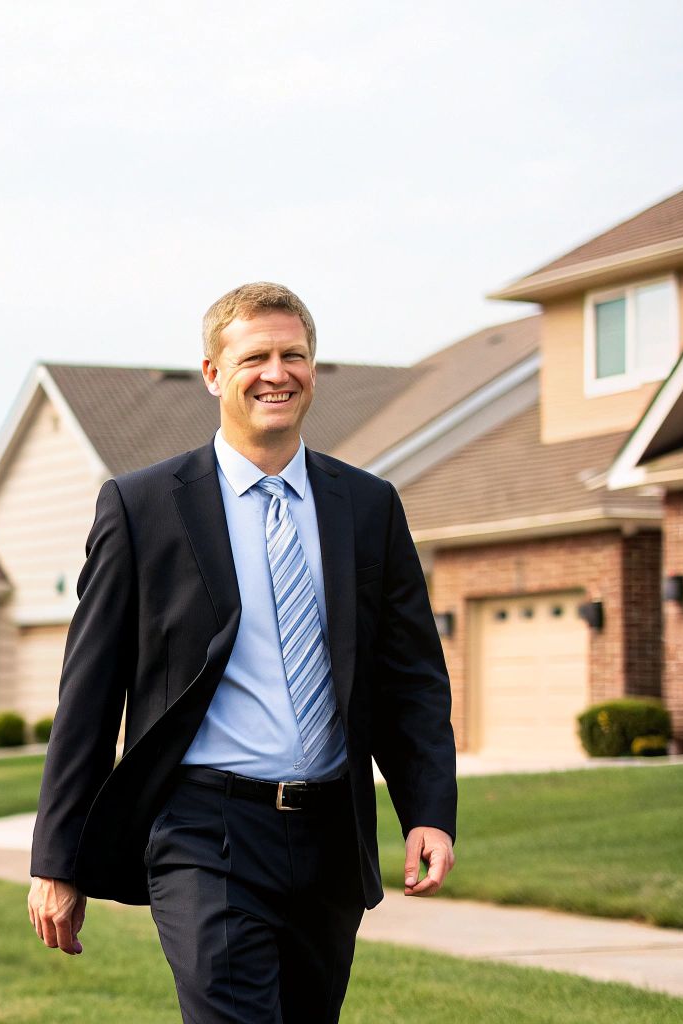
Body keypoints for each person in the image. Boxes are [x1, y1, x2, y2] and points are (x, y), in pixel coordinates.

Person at [26, 282, 457, 1023]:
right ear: (212, 373)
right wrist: (56, 859)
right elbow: (89, 693)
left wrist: (429, 808)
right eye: (255, 356)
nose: (277, 372)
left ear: (314, 369)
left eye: (295, 355)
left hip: (330, 834)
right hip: (205, 830)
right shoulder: (142, 506)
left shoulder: (367, 506)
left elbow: (409, 676)